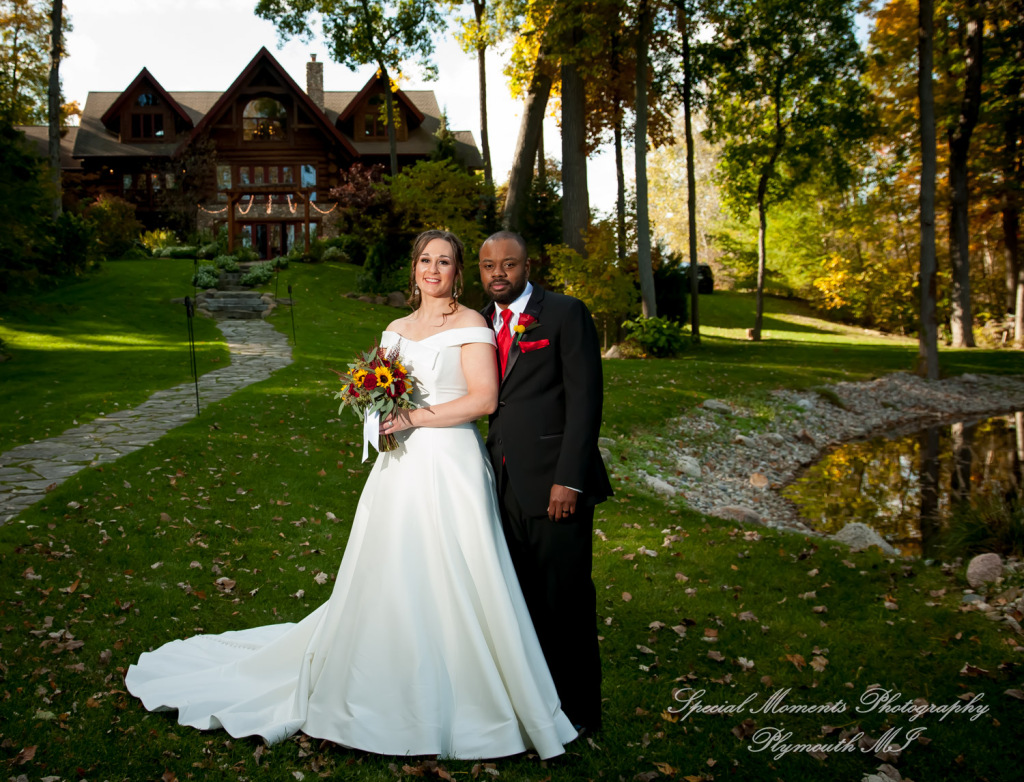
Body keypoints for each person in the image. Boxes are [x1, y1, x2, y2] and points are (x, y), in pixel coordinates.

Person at [125, 229, 578, 761]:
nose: (434, 270)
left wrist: (408, 416)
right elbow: (378, 395)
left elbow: (482, 400)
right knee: (393, 571)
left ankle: (473, 694)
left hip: (451, 465)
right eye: (426, 260)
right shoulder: (395, 329)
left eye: (446, 262)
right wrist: (378, 418)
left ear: (458, 272)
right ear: (414, 269)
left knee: (461, 571)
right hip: (401, 468)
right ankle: (380, 685)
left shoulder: (472, 325)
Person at [479, 231, 612, 735]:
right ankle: (538, 709)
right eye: (490, 265)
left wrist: (570, 480)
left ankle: (580, 716)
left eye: (509, 265)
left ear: (527, 265)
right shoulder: (482, 321)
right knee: (522, 599)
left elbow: (586, 402)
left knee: (567, 601)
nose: (498, 274)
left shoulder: (564, 313)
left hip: (557, 482)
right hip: (501, 481)